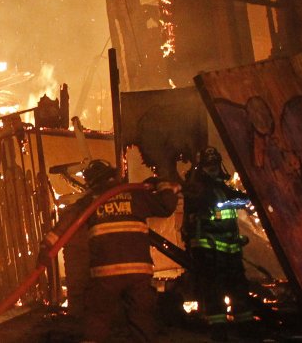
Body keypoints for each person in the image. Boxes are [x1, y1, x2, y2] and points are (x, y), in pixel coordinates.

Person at [38, 159, 179, 342]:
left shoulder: (90, 202)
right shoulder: (136, 196)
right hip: (138, 272)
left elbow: (67, 222)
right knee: (142, 317)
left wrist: (45, 247)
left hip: (105, 274)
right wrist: (163, 185)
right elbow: (166, 206)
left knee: (98, 316)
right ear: (113, 176)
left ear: (91, 183)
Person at [182, 146, 255, 341]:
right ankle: (219, 330)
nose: (212, 168)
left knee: (238, 287)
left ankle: (246, 327)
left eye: (215, 164)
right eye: (208, 165)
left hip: (229, 246)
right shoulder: (197, 187)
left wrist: (248, 196)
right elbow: (212, 202)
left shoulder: (221, 186)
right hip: (209, 248)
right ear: (202, 167)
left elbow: (239, 199)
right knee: (214, 289)